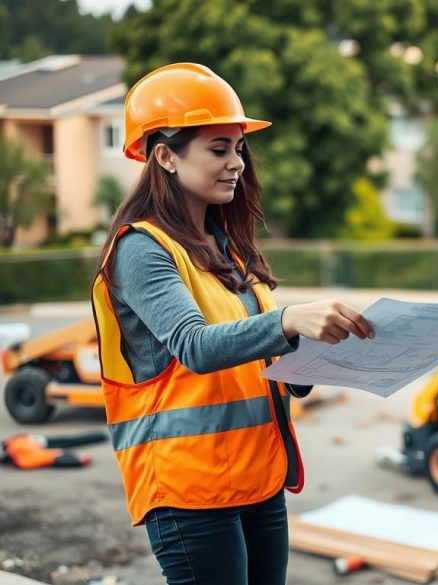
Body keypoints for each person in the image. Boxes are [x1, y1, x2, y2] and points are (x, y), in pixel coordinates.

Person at [91, 63, 374, 585]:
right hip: (190, 490)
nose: (237, 163)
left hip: (257, 478)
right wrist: (289, 320)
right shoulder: (140, 250)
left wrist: (314, 358)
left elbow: (261, 360)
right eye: (218, 149)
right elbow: (195, 346)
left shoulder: (229, 250)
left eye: (239, 148)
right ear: (166, 156)